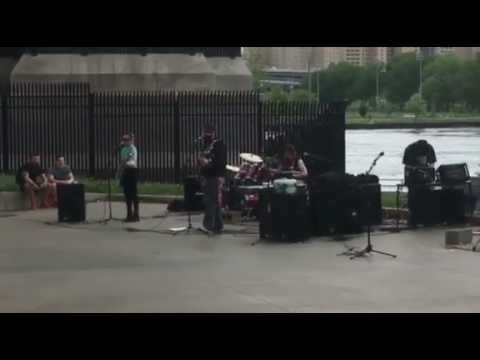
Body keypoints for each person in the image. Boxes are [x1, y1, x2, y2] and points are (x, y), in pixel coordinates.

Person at [197, 123, 227, 234]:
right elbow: (203, 158)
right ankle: (218, 225)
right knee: (214, 202)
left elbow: (221, 162)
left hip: (215, 176)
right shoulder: (206, 145)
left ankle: (208, 225)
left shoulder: (219, 145)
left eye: (207, 133)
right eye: (204, 133)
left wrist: (207, 164)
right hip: (207, 176)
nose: (205, 135)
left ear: (213, 133)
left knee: (210, 201)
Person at [119, 133, 140, 222]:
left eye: (127, 140)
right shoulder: (123, 149)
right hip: (126, 171)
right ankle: (129, 214)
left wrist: (125, 162)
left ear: (131, 140)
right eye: (124, 140)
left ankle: (136, 214)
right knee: (127, 194)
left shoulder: (133, 148)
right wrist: (120, 171)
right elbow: (123, 161)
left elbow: (131, 160)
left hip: (132, 171)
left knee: (133, 193)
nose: (125, 141)